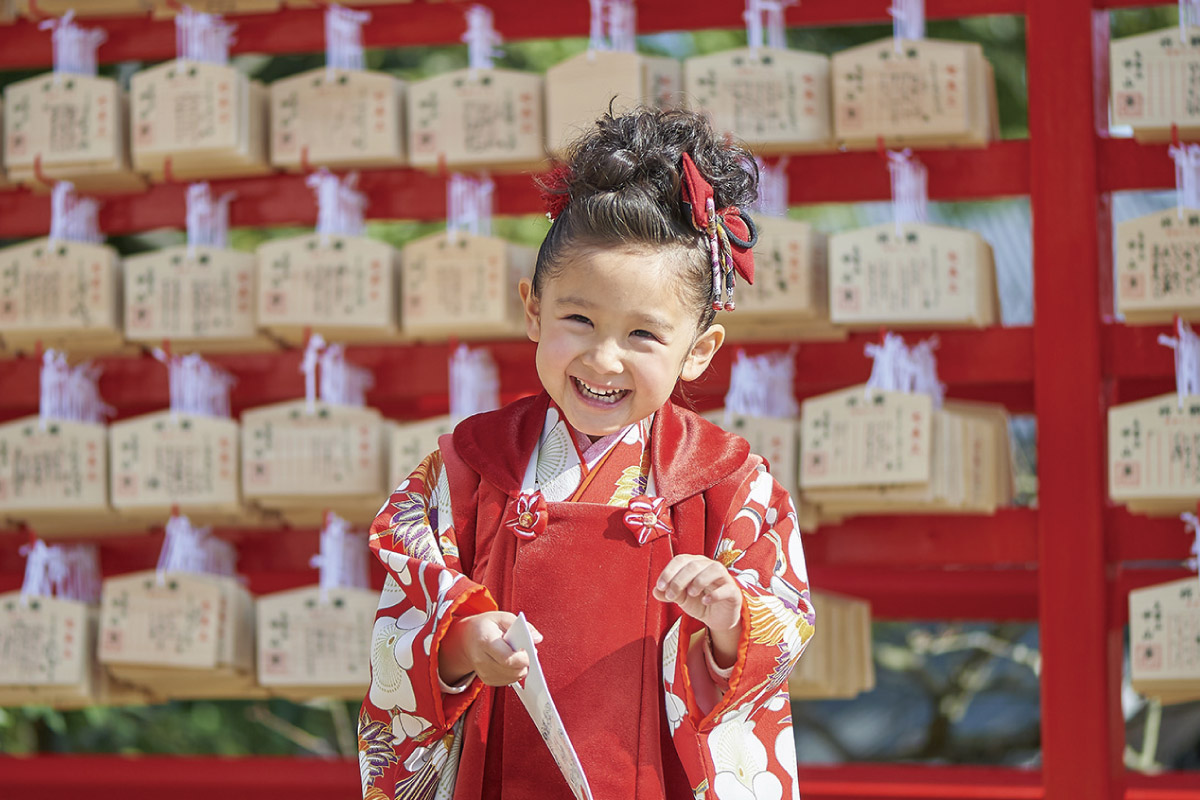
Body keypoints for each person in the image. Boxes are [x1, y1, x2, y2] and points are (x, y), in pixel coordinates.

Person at [358, 108, 815, 800]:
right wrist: (462, 642)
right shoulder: (468, 470)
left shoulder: (728, 486)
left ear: (699, 352)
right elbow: (405, 626)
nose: (604, 358)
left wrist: (728, 618)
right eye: (579, 319)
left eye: (642, 335)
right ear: (533, 309)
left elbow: (779, 631)